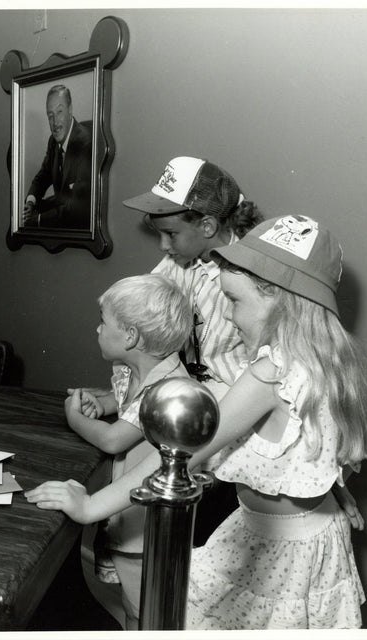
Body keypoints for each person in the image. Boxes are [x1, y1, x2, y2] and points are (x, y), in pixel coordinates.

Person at [25, 214, 367, 630]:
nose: (229, 317)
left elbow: (183, 453)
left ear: (278, 299)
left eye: (235, 301)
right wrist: (325, 481)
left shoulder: (269, 372)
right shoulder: (335, 359)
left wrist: (91, 507)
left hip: (278, 552)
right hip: (317, 538)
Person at [122, 156, 265, 546]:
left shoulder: (254, 276)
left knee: (209, 542)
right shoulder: (178, 262)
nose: (164, 246)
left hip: (236, 430)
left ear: (207, 226)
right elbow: (142, 314)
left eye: (170, 234)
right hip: (188, 414)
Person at [65, 273, 193, 629]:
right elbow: (126, 404)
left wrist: (75, 418)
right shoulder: (139, 371)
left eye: (103, 322)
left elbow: (113, 439)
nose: (97, 329)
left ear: (131, 336)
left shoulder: (166, 390)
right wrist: (102, 403)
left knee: (144, 609)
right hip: (130, 513)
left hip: (146, 527)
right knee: (132, 602)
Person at [23, 84, 92, 229]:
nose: (55, 123)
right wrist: (30, 202)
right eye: (50, 115)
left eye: (59, 112)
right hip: (61, 216)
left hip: (78, 226)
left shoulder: (86, 143)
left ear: (70, 110)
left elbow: (77, 208)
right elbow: (42, 177)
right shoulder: (53, 142)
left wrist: (38, 220)